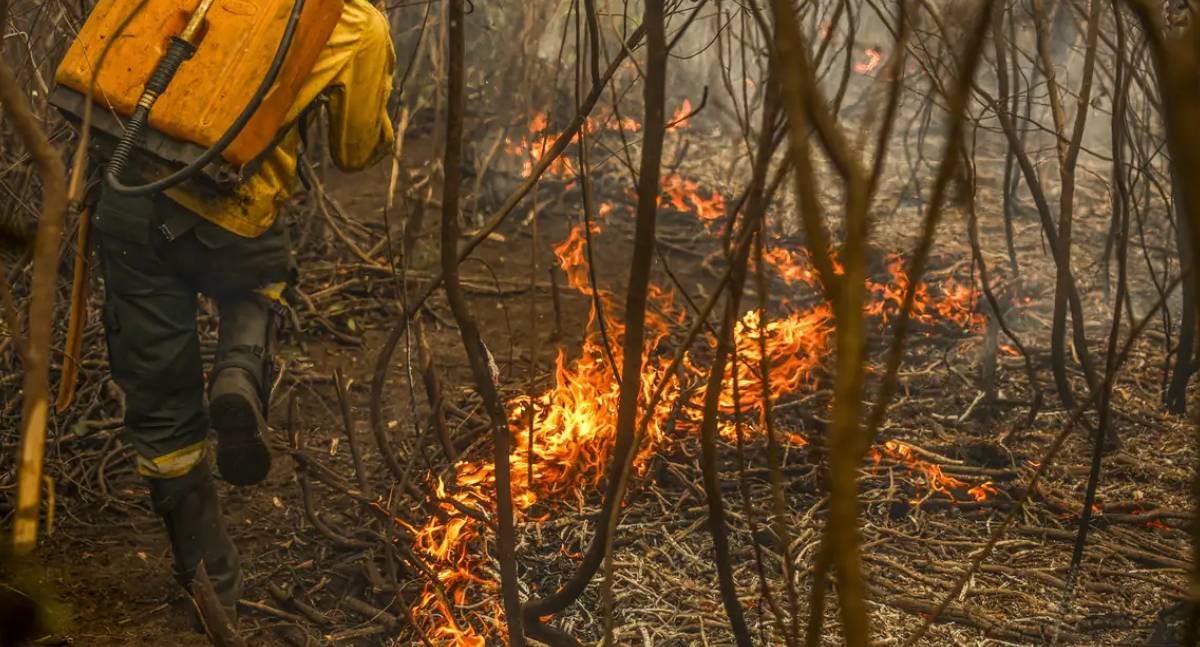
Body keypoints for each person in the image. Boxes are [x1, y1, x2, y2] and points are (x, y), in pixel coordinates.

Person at [89, 0, 395, 623]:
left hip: (129, 205)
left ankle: (210, 580)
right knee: (261, 278)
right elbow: (356, 151)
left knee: (158, 394)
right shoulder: (354, 19)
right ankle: (237, 369)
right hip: (231, 215)